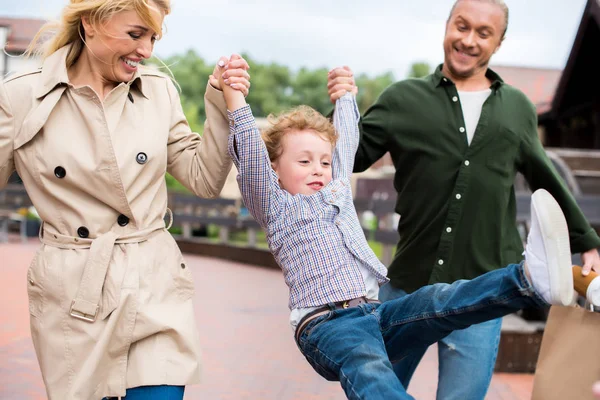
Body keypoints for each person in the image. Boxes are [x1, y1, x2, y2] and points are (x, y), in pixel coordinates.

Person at [220, 63, 575, 399]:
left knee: (438, 300)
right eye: (303, 161)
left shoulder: (336, 188)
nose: (318, 169)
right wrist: (235, 96)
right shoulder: (274, 203)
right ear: (275, 170)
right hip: (325, 324)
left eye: (323, 162)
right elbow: (251, 151)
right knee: (370, 366)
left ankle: (528, 279)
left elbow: (345, 145)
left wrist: (345, 97)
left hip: (374, 314)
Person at [327, 0, 600, 397]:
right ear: (447, 27)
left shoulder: (517, 108)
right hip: (408, 285)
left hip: (482, 289)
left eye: (483, 33)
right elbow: (343, 157)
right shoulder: (402, 99)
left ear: (498, 43)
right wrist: (341, 108)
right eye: (462, 26)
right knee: (371, 390)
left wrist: (588, 243)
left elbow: (546, 177)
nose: (468, 40)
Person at [0, 0, 250, 399]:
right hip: (73, 292)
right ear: (91, 23)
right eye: (136, 35)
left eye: (153, 38)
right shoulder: (20, 97)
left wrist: (219, 104)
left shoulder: (159, 91)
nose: (147, 51)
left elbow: (203, 179)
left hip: (152, 280)